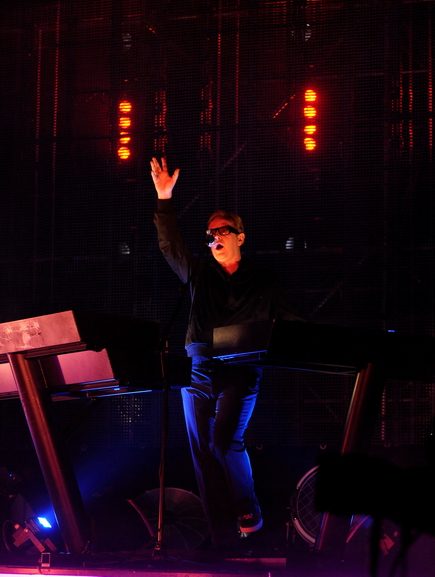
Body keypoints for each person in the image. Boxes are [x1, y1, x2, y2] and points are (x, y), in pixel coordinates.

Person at [150, 156, 302, 550]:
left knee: (225, 440)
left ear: (240, 236)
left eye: (222, 231)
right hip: (200, 364)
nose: (215, 238)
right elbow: (170, 246)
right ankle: (219, 528)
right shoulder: (199, 273)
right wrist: (164, 199)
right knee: (201, 447)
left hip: (242, 366)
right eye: (210, 233)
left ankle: (248, 511)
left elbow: (290, 321)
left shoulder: (263, 280)